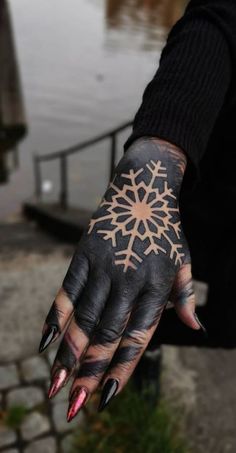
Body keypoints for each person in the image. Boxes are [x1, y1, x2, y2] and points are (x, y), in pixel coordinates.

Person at [38, 0, 236, 422]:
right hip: (213, 208)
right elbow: (216, 21)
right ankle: (145, 361)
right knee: (160, 307)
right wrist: (160, 147)